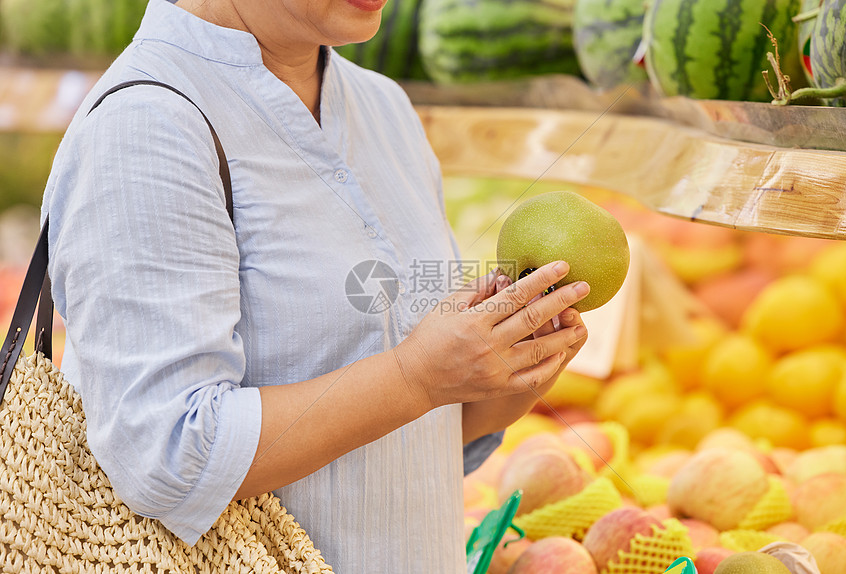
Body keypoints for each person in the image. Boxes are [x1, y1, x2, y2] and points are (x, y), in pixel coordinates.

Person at [41, 0, 590, 571]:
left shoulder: (384, 106)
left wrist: (512, 364)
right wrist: (416, 377)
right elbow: (170, 456)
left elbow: (414, 444)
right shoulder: (145, 126)